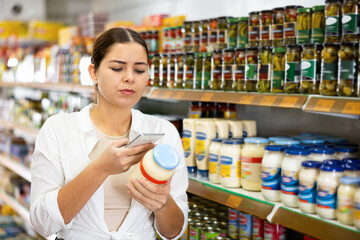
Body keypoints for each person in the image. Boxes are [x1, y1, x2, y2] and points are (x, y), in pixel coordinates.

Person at [30, 28, 188, 240]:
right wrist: (100, 168)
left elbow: (174, 232)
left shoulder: (163, 132)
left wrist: (164, 204)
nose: (130, 78)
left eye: (139, 70)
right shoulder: (58, 130)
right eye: (117, 68)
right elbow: (42, 222)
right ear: (94, 73)